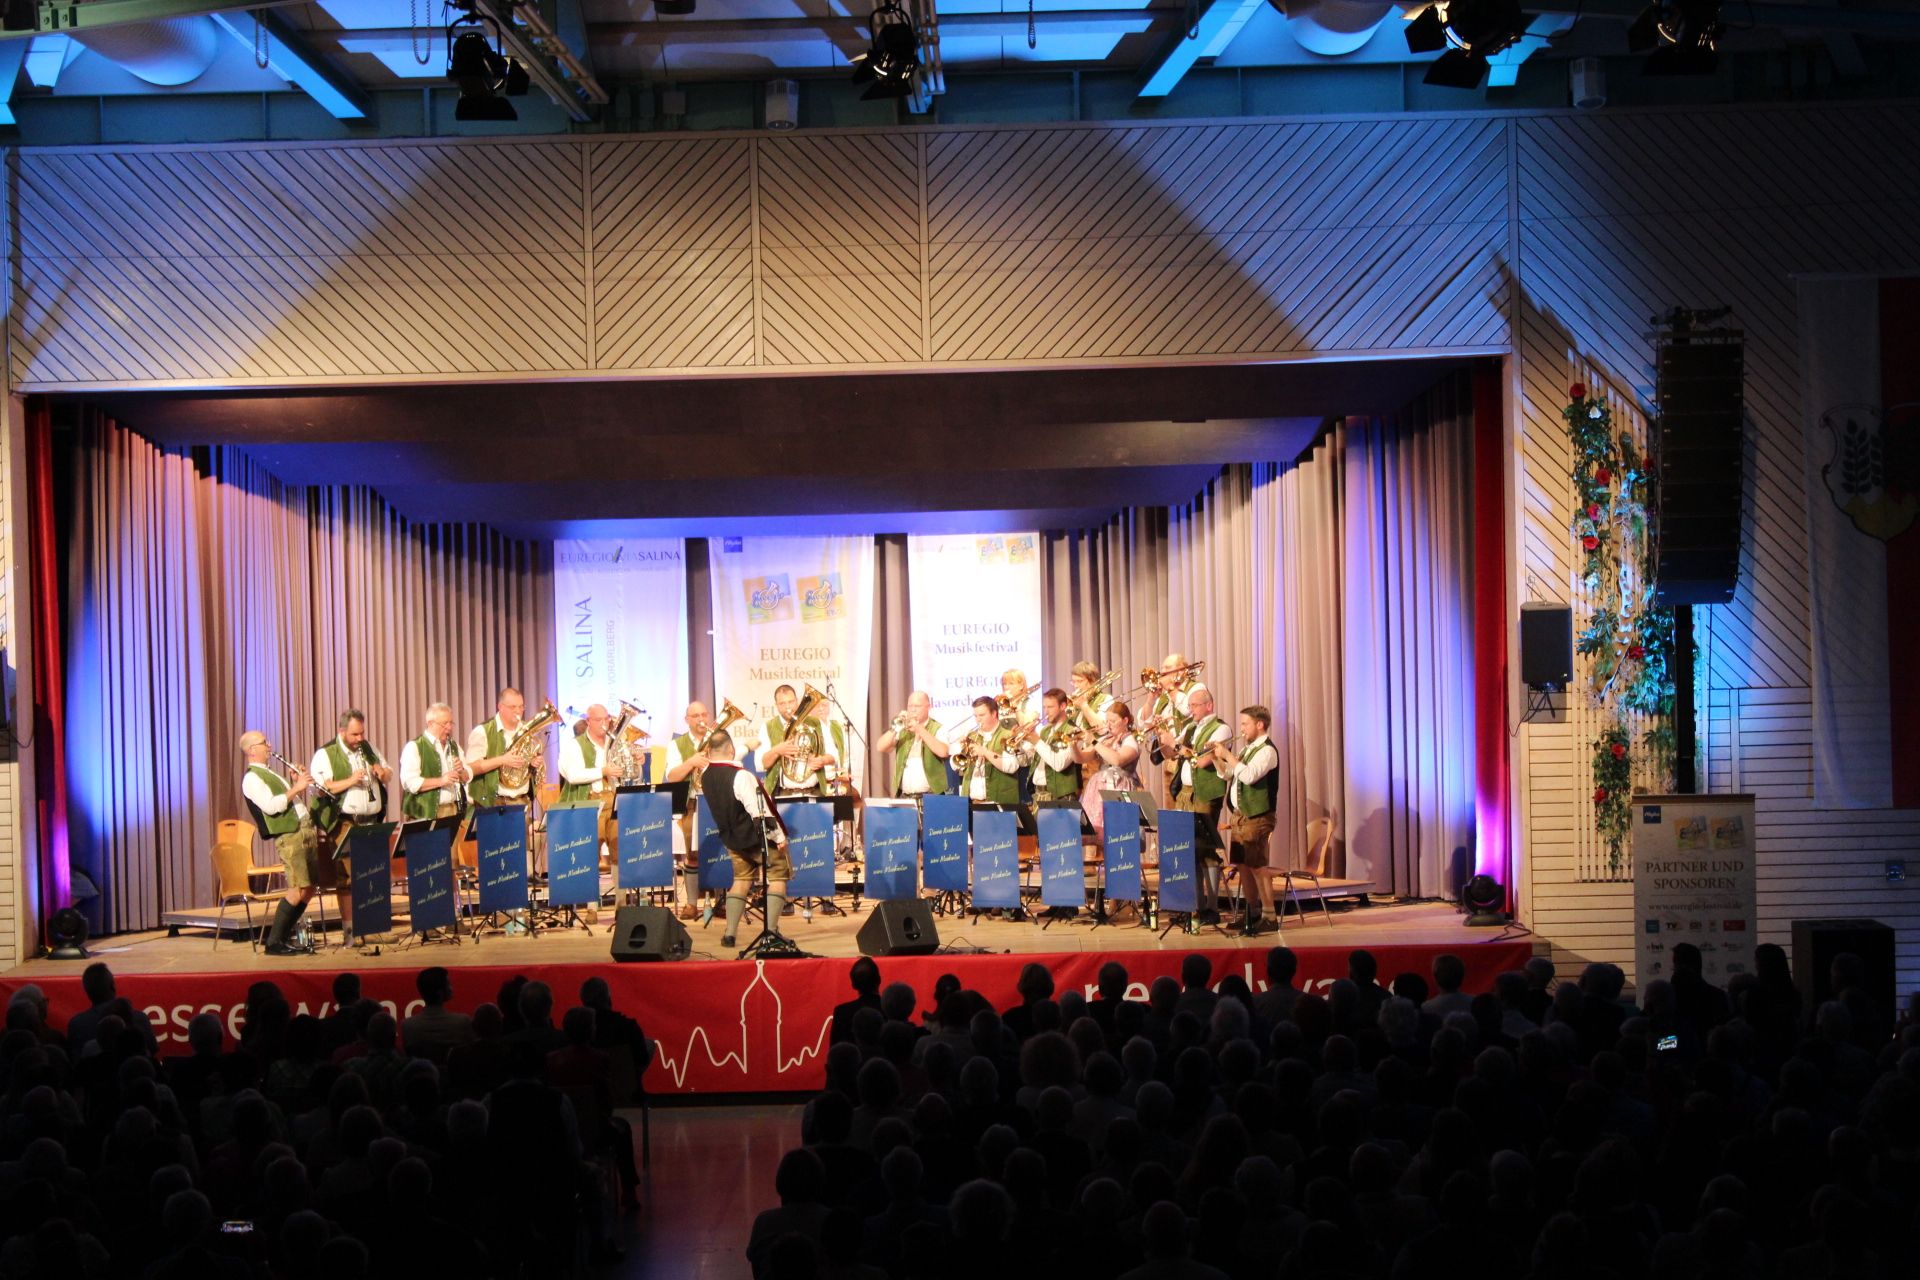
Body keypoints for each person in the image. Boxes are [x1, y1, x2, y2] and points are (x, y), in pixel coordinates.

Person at [702, 728, 792, 950]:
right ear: (730, 749)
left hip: (732, 839)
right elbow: (759, 812)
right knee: (778, 876)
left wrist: (747, 748)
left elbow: (727, 760)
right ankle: (771, 933)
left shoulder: (706, 773)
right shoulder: (742, 776)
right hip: (757, 838)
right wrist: (779, 836)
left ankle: (729, 934)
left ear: (710, 751)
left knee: (741, 880)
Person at [309, 709, 392, 938]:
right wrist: (351, 780)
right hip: (345, 821)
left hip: (371, 820)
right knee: (347, 875)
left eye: (362, 733)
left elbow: (389, 774)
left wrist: (382, 772)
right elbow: (322, 788)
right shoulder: (326, 753)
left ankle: (373, 927)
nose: (360, 738)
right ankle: (351, 931)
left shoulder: (368, 748)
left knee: (373, 872)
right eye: (355, 734)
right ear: (342, 731)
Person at [240, 729, 322, 956]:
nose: (269, 745)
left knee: (309, 888)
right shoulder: (251, 778)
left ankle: (284, 936)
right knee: (297, 889)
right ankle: (274, 942)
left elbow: (290, 802)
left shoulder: (270, 773)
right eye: (264, 742)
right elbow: (271, 806)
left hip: (303, 830)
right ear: (252, 750)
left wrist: (294, 783)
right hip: (290, 836)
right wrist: (296, 787)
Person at [1164, 684, 1230, 913]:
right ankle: (1195, 906)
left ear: (1209, 705)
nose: (1190, 710)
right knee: (1187, 849)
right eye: (1190, 705)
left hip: (1205, 794)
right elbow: (1170, 753)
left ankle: (1211, 908)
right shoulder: (1191, 727)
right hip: (1185, 793)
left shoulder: (1221, 729)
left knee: (1205, 849)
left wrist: (1177, 745)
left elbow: (1202, 761)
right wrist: (1162, 738)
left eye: (1195, 705)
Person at [1213, 704, 1279, 935]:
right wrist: (1216, 759)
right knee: (1242, 864)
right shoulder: (1248, 749)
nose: (1241, 728)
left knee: (1257, 866)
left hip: (1257, 816)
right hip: (1240, 816)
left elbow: (1250, 776)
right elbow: (1228, 773)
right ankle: (1253, 911)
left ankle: (1270, 916)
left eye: (1245, 724)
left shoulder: (1267, 751)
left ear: (1259, 724)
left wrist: (1228, 755)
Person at [558, 703, 623, 866]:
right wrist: (603, 771)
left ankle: (621, 884)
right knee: (588, 855)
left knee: (622, 853)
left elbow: (627, 770)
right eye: (598, 720)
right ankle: (589, 883)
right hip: (591, 803)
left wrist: (636, 761)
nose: (604, 723)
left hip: (615, 802)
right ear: (588, 721)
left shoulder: (615, 742)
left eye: (607, 719)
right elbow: (573, 775)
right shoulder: (574, 745)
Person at [65, 963, 158, 1055]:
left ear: (87, 992)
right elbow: (153, 1050)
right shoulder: (139, 1018)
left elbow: (75, 1058)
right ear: (113, 987)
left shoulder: (77, 1025)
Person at [1079, 702, 1142, 838]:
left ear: (1125, 721)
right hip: (1099, 789)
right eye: (1107, 721)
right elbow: (1081, 758)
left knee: (1115, 835)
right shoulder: (1105, 739)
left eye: (1113, 721)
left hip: (1118, 788)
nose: (1108, 725)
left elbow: (1118, 760)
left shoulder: (1130, 740)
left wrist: (1094, 741)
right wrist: (1072, 745)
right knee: (1094, 836)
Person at [399, 703, 470, 822]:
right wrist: (441, 781)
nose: (449, 728)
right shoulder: (414, 747)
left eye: (451, 723)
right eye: (444, 723)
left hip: (452, 810)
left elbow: (467, 775)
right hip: (423, 815)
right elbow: (410, 783)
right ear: (430, 723)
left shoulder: (454, 745)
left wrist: (462, 771)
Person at [764, 683, 836, 799]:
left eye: (791, 702)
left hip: (815, 792)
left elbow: (833, 755)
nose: (788, 707)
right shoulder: (768, 726)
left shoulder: (816, 723)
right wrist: (777, 751)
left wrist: (822, 760)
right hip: (784, 795)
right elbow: (762, 764)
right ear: (776, 705)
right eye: (782, 703)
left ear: (797, 701)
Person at [876, 690, 952, 799]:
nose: (913, 710)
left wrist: (919, 729)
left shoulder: (939, 728)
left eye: (917, 706)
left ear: (928, 707)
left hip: (931, 796)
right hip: (904, 796)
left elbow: (943, 752)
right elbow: (880, 747)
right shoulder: (903, 729)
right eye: (910, 706)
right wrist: (895, 728)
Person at [958, 696, 1023, 805]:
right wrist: (962, 751)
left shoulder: (1008, 736)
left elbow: (1011, 767)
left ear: (994, 714)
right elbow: (956, 766)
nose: (978, 719)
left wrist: (985, 752)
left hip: (997, 804)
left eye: (982, 715)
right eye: (976, 716)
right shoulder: (971, 736)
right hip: (971, 803)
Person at [400, 967, 474, 1065]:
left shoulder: (407, 1026)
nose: (451, 988)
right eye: (448, 984)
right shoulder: (462, 1022)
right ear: (440, 993)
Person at [832, 958, 884, 1045]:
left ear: (853, 985)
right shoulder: (891, 1011)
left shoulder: (842, 1012)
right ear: (879, 980)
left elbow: (836, 1049)